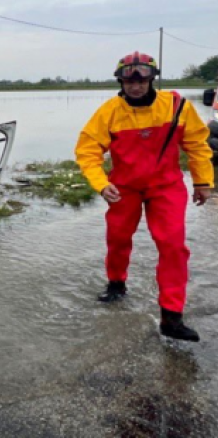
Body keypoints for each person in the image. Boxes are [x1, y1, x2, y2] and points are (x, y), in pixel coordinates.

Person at [75, 52, 214, 342]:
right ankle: (116, 284)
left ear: (152, 79)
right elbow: (88, 151)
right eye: (129, 80)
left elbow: (198, 146)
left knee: (173, 246)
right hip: (123, 187)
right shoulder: (109, 112)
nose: (135, 85)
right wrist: (101, 184)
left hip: (166, 187)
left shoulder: (176, 105)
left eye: (142, 79)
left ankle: (171, 317)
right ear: (121, 81)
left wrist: (203, 182)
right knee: (118, 237)